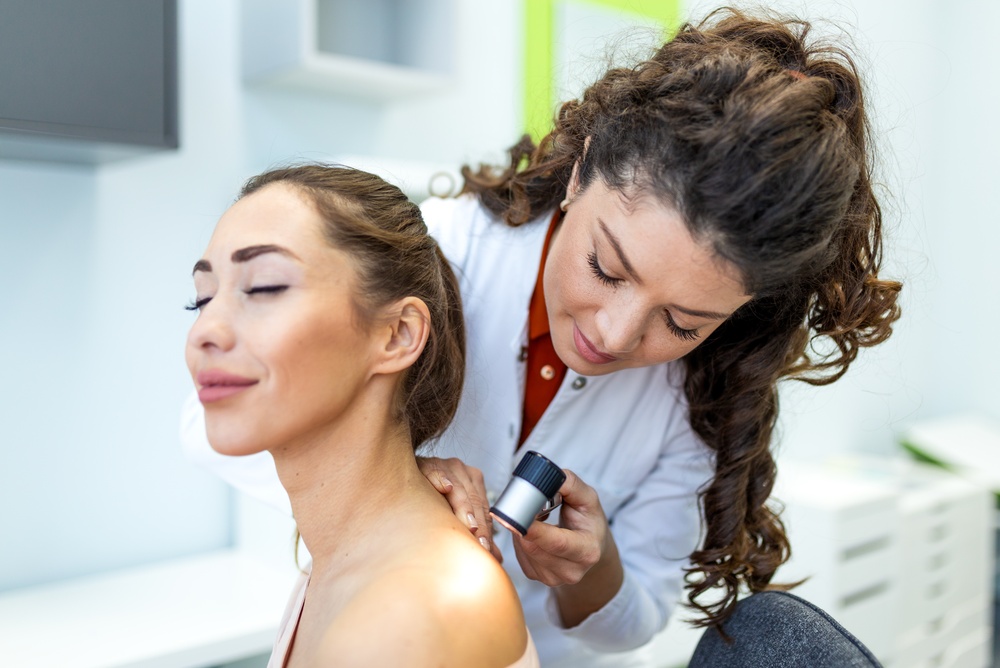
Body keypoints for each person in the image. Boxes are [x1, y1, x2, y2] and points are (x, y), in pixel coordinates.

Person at [182, 9, 902, 667]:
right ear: (580, 171)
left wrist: (595, 571)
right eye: (605, 268)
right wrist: (386, 477)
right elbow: (217, 414)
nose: (613, 334)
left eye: (682, 323)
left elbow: (636, 618)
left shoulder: (697, 396)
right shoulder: (439, 261)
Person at [183, 165, 539, 667]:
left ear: (396, 334)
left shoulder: (406, 619)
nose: (205, 331)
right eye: (201, 299)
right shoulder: (341, 559)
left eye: (263, 287)